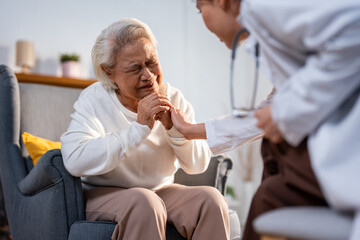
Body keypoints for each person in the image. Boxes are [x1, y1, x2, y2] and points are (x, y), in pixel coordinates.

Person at [170, 0, 360, 239]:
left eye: (200, 10)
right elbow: (269, 111)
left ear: (220, 1)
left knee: (271, 172)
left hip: (347, 147)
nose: (203, 20)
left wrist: (284, 111)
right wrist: (190, 131)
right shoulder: (264, 26)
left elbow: (354, 27)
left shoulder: (265, 6)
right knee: (268, 195)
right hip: (330, 156)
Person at [60, 18, 230, 240]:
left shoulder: (173, 97)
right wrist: (138, 129)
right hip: (103, 194)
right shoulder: (94, 99)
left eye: (152, 62)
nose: (148, 76)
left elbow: (198, 165)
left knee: (211, 200)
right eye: (135, 68)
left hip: (159, 192)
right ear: (109, 72)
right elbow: (74, 160)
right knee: (145, 203)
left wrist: (175, 130)